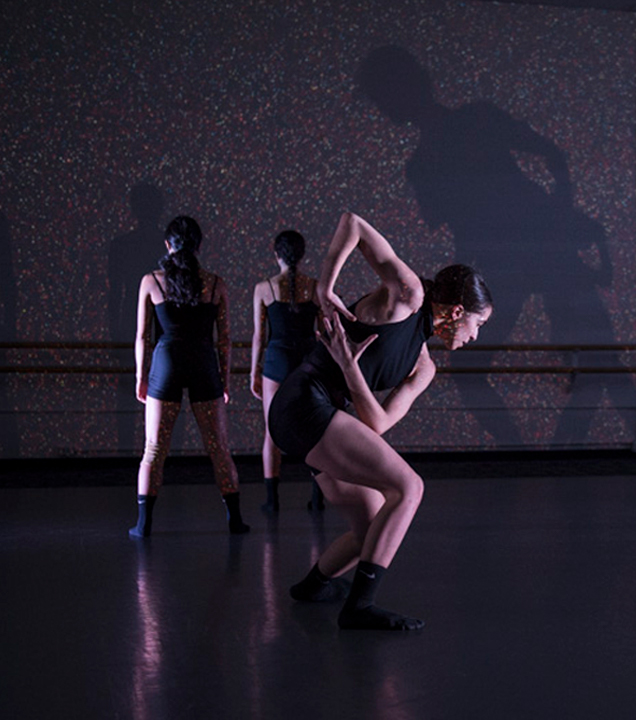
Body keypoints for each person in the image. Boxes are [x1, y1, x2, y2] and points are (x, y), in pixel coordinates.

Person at [269, 212, 491, 630]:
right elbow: (352, 223)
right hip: (301, 402)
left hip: (320, 417)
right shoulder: (408, 296)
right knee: (410, 487)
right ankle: (360, 607)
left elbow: (377, 425)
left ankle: (314, 586)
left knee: (373, 529)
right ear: (458, 311)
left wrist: (350, 369)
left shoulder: (423, 367)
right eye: (478, 324)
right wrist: (324, 289)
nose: (475, 336)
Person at [130, 216, 249, 537]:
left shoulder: (151, 281)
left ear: (167, 245)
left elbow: (142, 337)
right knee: (219, 447)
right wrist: (224, 379)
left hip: (166, 362)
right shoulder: (216, 284)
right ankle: (235, 520)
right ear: (198, 247)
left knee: (154, 449)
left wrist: (141, 377)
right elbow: (224, 339)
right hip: (203, 362)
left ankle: (143, 525)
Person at [249, 230, 322, 513]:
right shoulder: (315, 287)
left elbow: (259, 336)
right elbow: (324, 331)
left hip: (277, 361)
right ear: (301, 255)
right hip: (308, 361)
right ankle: (318, 498)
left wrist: (254, 371)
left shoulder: (264, 288)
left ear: (276, 254)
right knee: (314, 430)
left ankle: (272, 500)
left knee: (272, 432)